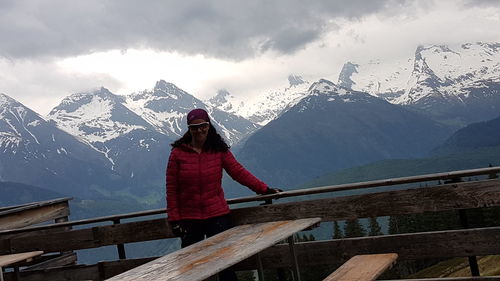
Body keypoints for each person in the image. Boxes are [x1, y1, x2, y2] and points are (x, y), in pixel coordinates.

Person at [166, 108, 281, 281]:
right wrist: (174, 219)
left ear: (209, 125)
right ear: (188, 129)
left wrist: (264, 189)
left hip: (217, 215)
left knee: (225, 263)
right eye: (194, 127)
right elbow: (171, 188)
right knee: (190, 266)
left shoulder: (218, 150)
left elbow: (238, 172)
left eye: (202, 126)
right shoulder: (177, 153)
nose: (199, 130)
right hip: (189, 219)